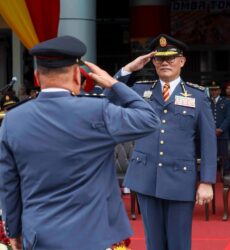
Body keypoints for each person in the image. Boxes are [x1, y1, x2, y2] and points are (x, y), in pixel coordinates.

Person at [0, 36, 160, 250]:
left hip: (40, 234)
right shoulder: (96, 111)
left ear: (37, 77)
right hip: (95, 235)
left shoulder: (13, 119)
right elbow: (149, 120)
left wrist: (14, 231)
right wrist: (113, 83)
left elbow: (9, 184)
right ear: (77, 75)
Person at [111, 34, 217, 250]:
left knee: (179, 243)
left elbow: (208, 141)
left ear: (182, 61)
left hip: (180, 177)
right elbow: (109, 100)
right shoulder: (141, 91)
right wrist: (129, 69)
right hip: (146, 176)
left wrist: (207, 181)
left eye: (171, 58)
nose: (165, 63)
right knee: (154, 243)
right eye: (159, 59)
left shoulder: (197, 95)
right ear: (153, 62)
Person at [209, 81, 230, 175]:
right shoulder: (207, 102)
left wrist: (221, 129)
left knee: (224, 155)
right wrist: (211, 130)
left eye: (215, 90)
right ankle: (210, 174)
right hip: (210, 133)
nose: (214, 92)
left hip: (222, 133)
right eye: (212, 90)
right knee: (210, 154)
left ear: (219, 91)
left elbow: (228, 117)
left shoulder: (225, 101)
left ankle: (226, 174)